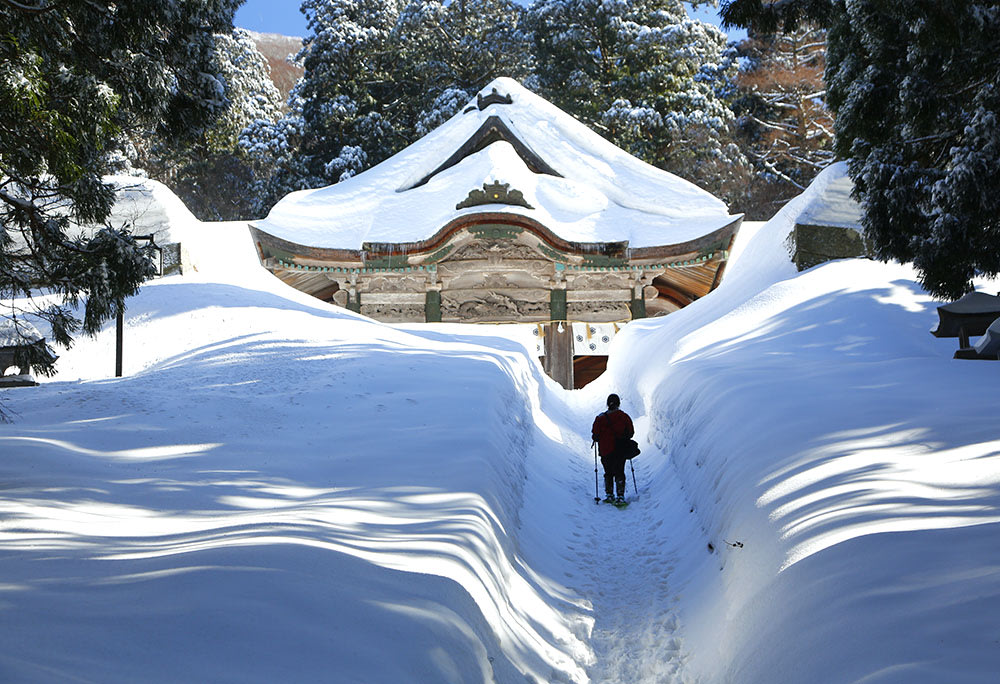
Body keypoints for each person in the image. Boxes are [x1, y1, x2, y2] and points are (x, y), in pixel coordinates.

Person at [592, 393, 634, 503]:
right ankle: (620, 496)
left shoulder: (600, 418)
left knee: (608, 472)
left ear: (607, 404)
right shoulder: (624, 417)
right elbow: (631, 432)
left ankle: (609, 494)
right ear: (618, 404)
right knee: (619, 471)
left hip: (605, 450)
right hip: (620, 450)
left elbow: (595, 435)